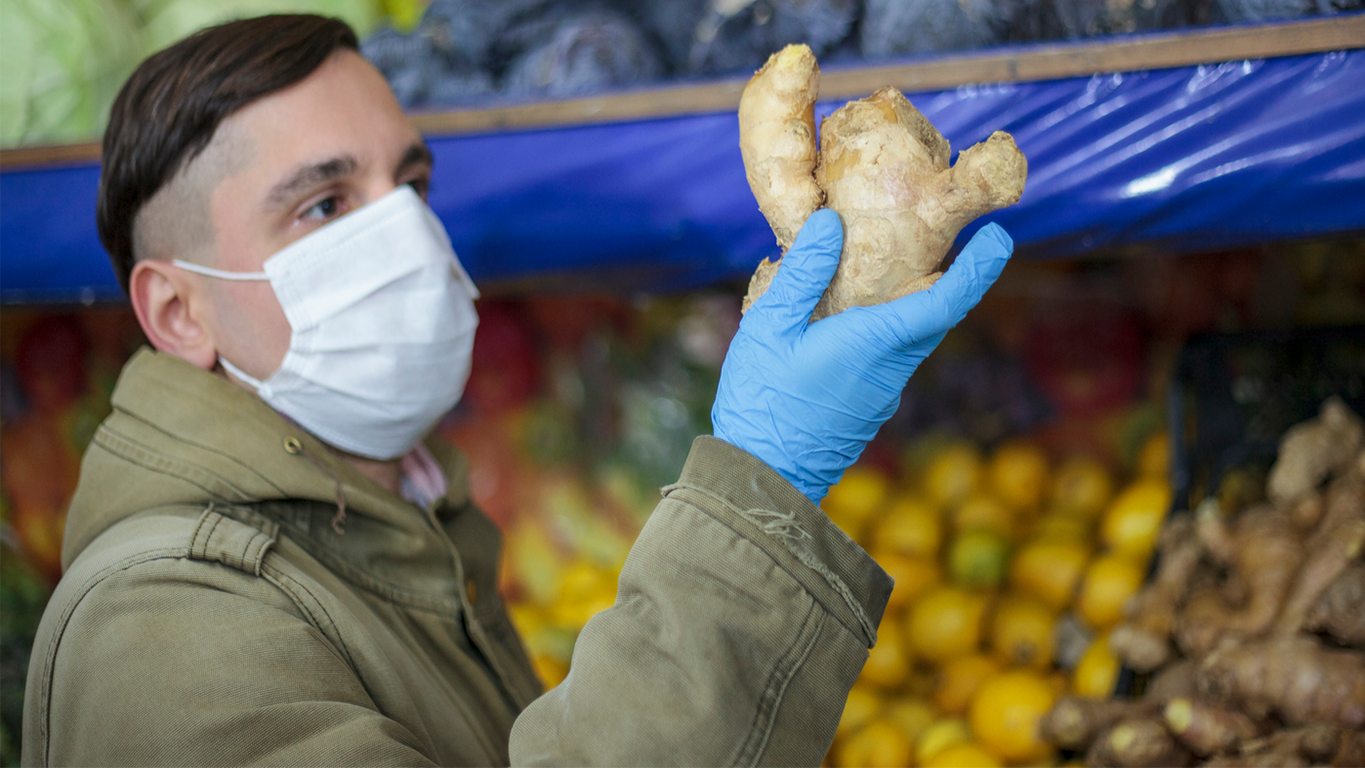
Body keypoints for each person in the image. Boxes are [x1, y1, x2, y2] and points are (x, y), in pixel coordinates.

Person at [21, 14, 1013, 768]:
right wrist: (766, 479)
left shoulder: (383, 517)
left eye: (410, 184)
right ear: (180, 313)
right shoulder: (163, 632)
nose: (406, 234)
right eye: (324, 204)